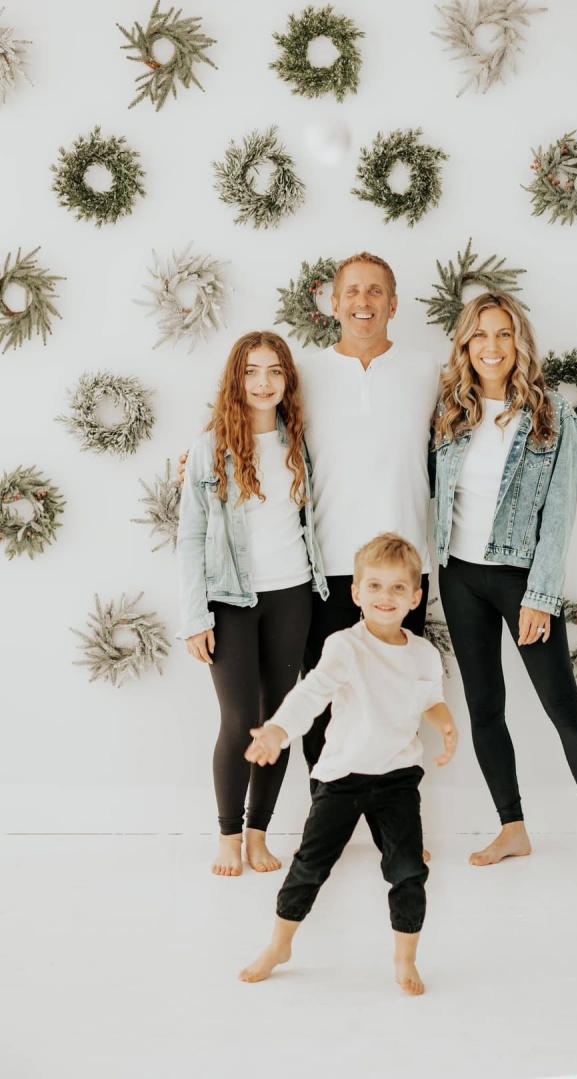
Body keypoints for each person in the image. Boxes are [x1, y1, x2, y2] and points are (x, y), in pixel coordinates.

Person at [433, 292, 577, 887]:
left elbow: (559, 515)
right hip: (458, 575)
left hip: (520, 580)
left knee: (561, 704)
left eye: (503, 334)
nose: (492, 347)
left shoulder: (552, 415)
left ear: (520, 343)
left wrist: (541, 595)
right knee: (485, 707)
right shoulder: (450, 410)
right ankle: (512, 827)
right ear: (465, 345)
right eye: (480, 335)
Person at [238, 534, 458, 995]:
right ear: (356, 593)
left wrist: (445, 723)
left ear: (415, 597)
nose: (385, 596)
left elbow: (429, 699)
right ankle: (279, 945)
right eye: (374, 586)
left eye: (398, 588)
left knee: (408, 871)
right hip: (341, 777)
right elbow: (311, 693)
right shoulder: (344, 646)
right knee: (309, 867)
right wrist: (278, 729)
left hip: (398, 779)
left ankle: (405, 958)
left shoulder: (423, 653)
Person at [177, 331, 327, 878]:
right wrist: (195, 617)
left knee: (276, 719)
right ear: (235, 380)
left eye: (274, 371)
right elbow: (190, 536)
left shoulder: (299, 443)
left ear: (287, 380)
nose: (263, 383)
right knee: (239, 719)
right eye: (252, 371)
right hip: (230, 599)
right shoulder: (209, 447)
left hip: (293, 593)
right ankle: (229, 836)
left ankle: (259, 833)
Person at [296, 253, 441, 777]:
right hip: (329, 566)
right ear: (334, 304)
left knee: (398, 705)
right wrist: (201, 457)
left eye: (376, 291)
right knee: (322, 702)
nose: (364, 301)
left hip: (403, 568)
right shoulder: (304, 373)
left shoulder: (428, 371)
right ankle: (325, 810)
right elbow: (251, 418)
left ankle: (393, 815)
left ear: (393, 305)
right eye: (353, 291)